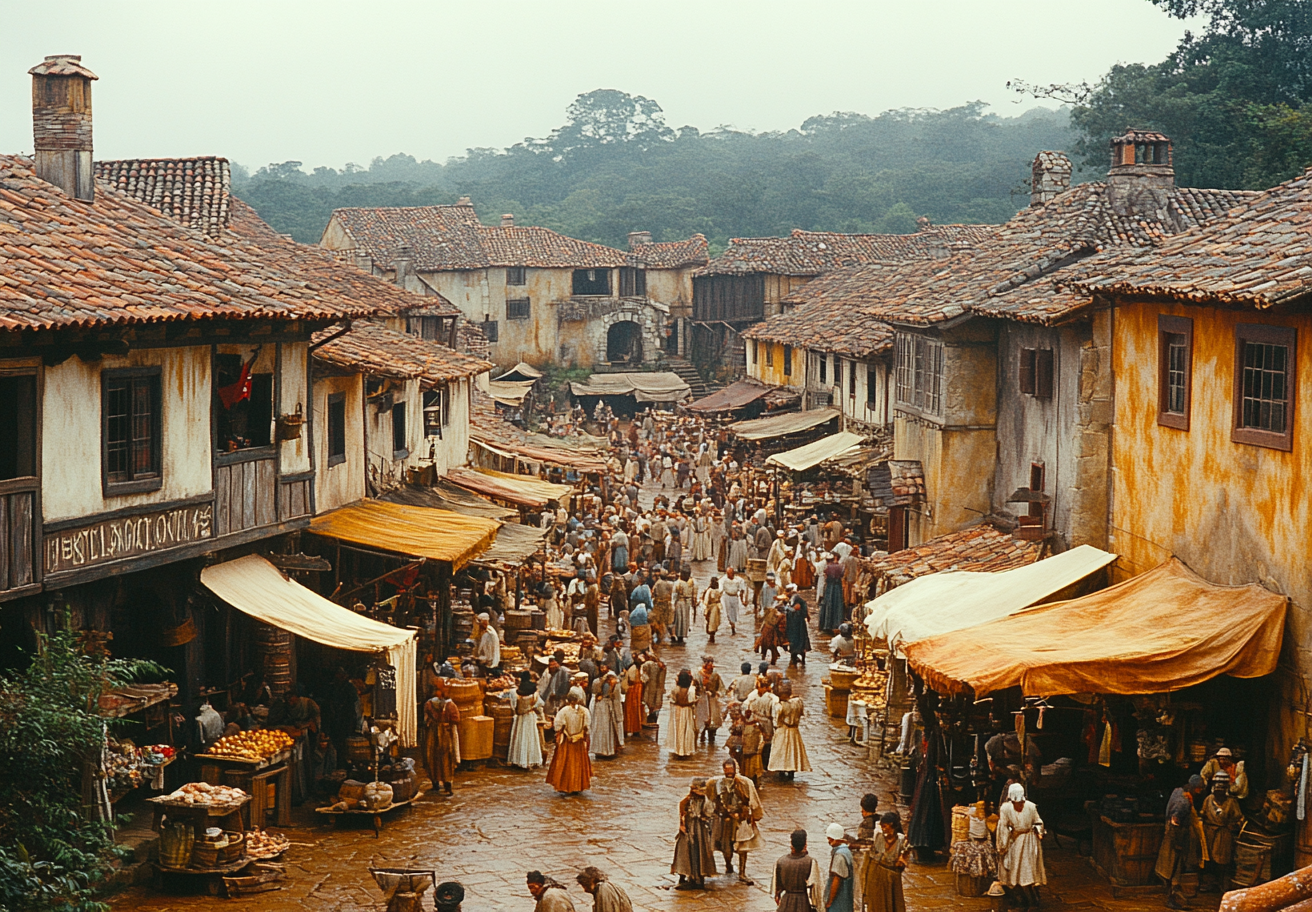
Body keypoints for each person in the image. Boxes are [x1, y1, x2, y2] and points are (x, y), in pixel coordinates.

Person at [707, 758, 766, 884]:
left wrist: (755, 816)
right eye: (726, 770)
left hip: (741, 819)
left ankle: (742, 873)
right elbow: (712, 800)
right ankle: (728, 865)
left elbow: (754, 801)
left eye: (731, 770)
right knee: (726, 847)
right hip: (725, 820)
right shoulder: (716, 783)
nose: (729, 773)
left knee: (743, 848)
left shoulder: (746, 783)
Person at [1156, 775, 1206, 909]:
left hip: (1174, 835)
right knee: (1173, 868)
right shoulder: (1183, 802)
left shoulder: (1178, 790)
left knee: (1173, 868)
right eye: (1199, 789)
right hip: (1175, 837)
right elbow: (1175, 821)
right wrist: (1177, 841)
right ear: (1196, 788)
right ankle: (1171, 898)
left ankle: (1172, 896)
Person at [997, 783, 1047, 908]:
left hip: (1029, 842)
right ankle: (1020, 899)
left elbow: (1038, 822)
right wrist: (1003, 844)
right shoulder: (1005, 808)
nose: (1020, 805)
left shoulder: (1030, 807)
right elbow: (1003, 826)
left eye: (1021, 803)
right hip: (1014, 841)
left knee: (1028, 870)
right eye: (1017, 803)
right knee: (1013, 869)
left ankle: (1033, 900)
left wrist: (1037, 830)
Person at [1201, 771, 1243, 892]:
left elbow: (1239, 818)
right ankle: (1210, 883)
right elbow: (1202, 815)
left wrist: (1233, 826)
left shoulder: (1231, 802)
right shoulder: (1208, 800)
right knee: (1209, 861)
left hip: (1223, 835)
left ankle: (1223, 884)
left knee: (1223, 861)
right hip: (1209, 833)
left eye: (1222, 785)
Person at [673, 777, 718, 890]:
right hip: (688, 829)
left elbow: (709, 813)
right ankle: (684, 876)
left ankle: (698, 878)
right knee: (684, 852)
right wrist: (682, 825)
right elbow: (682, 810)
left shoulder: (706, 801)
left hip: (700, 831)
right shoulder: (688, 800)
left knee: (699, 852)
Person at [546, 687, 593, 795]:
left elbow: (558, 726)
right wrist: (580, 735)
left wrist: (568, 734)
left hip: (567, 741)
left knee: (565, 763)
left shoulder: (563, 711)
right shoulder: (584, 711)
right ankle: (577, 785)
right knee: (578, 763)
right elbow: (587, 727)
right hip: (579, 742)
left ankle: (566, 786)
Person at [863, 812, 909, 912]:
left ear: (891, 825)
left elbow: (902, 864)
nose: (883, 828)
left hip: (893, 880)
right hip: (877, 877)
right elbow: (870, 860)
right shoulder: (879, 837)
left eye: (885, 826)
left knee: (893, 905)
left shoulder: (901, 841)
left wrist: (901, 861)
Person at [423, 678, 460, 795]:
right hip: (444, 734)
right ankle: (446, 784)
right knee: (446, 758)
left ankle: (437, 783)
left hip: (432, 734)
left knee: (432, 757)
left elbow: (425, 719)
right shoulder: (450, 705)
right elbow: (456, 719)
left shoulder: (429, 704)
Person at [772, 829, 824, 912]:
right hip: (803, 902)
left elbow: (777, 887)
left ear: (791, 844)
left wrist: (777, 896)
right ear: (805, 844)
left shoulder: (781, 861)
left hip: (786, 903)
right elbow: (815, 888)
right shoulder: (810, 862)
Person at [769, 680, 811, 779]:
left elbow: (776, 721)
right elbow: (801, 714)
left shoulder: (779, 706)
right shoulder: (798, 702)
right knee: (793, 751)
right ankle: (791, 772)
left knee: (781, 752)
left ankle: (782, 773)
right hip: (794, 731)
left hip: (782, 730)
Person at [509, 672, 544, 770]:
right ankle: (530, 760)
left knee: (520, 737)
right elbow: (540, 703)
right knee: (530, 737)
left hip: (520, 717)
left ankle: (518, 760)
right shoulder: (534, 692)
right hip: (530, 716)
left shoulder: (516, 691)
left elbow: (513, 706)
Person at [746, 675, 779, 770]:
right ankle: (764, 765)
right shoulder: (773, 698)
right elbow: (775, 714)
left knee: (759, 743)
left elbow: (745, 708)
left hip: (755, 721)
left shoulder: (752, 696)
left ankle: (759, 764)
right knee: (766, 743)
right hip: (765, 722)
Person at [590, 670, 624, 759]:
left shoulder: (597, 682)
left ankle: (599, 750)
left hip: (599, 708)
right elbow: (616, 701)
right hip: (607, 709)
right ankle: (607, 750)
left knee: (599, 728)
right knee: (607, 729)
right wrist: (619, 716)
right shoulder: (615, 686)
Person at [667, 669, 699, 759]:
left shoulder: (675, 689)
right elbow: (692, 702)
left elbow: (673, 701)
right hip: (687, 711)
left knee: (678, 730)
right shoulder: (691, 690)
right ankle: (686, 750)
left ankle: (678, 750)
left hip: (677, 711)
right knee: (687, 729)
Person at [825, 823, 856, 912]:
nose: (829, 841)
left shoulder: (840, 855)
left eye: (830, 839)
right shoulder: (847, 851)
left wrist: (829, 901)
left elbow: (836, 880)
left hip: (839, 901)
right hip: (847, 899)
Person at [695, 656, 726, 746]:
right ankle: (702, 739)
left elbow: (722, 689)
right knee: (702, 722)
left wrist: (716, 694)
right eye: (709, 663)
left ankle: (711, 744)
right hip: (701, 702)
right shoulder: (697, 674)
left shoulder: (715, 675)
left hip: (712, 702)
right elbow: (694, 687)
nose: (711, 665)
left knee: (712, 724)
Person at [538, 652, 572, 720]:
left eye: (554, 664)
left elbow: (565, 687)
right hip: (548, 699)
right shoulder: (548, 673)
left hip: (558, 699)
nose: (552, 667)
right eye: (550, 665)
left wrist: (558, 695)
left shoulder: (564, 672)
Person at [784, 586, 812, 667]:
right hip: (797, 623)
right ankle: (801, 660)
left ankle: (794, 658)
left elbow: (794, 609)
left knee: (794, 639)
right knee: (801, 639)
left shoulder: (795, 599)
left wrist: (786, 608)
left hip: (795, 623)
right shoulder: (797, 599)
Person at [819, 554, 845, 634]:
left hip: (830, 588)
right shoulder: (841, 566)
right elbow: (842, 575)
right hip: (838, 588)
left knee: (828, 605)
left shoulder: (828, 568)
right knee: (837, 605)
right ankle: (836, 624)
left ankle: (827, 625)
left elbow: (825, 578)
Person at [640, 651, 667, 724]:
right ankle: (654, 722)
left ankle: (648, 722)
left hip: (649, 690)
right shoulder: (662, 666)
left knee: (649, 706)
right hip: (658, 690)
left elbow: (644, 679)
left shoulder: (646, 665)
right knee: (656, 707)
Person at [721, 567, 748, 636]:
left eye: (730, 573)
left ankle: (733, 624)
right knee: (728, 612)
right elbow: (720, 590)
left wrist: (743, 601)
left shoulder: (739, 580)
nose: (729, 575)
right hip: (727, 596)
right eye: (728, 573)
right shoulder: (723, 579)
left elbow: (742, 590)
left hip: (735, 596)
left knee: (735, 613)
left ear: (733, 573)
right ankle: (732, 626)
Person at [672, 570, 697, 646]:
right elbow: (694, 594)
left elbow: (674, 596)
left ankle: (677, 634)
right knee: (685, 620)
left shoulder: (677, 583)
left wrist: (673, 605)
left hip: (679, 602)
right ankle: (682, 636)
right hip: (687, 603)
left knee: (678, 620)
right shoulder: (692, 582)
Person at [651, 568, 674, 645]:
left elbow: (653, 592)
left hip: (658, 604)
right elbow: (670, 594)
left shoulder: (657, 583)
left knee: (658, 620)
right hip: (666, 604)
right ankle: (670, 635)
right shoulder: (669, 584)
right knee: (667, 621)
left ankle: (659, 637)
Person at [622, 659, 644, 738]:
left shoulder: (636, 669)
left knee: (635, 710)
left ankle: (635, 729)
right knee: (631, 710)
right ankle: (630, 729)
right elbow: (631, 681)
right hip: (633, 693)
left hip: (636, 693)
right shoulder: (633, 669)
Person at [703, 577, 723, 644]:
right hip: (715, 608)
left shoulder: (709, 591)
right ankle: (712, 637)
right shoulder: (718, 591)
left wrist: (705, 610)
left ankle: (711, 638)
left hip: (712, 607)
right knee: (713, 622)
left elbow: (706, 601)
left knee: (711, 622)